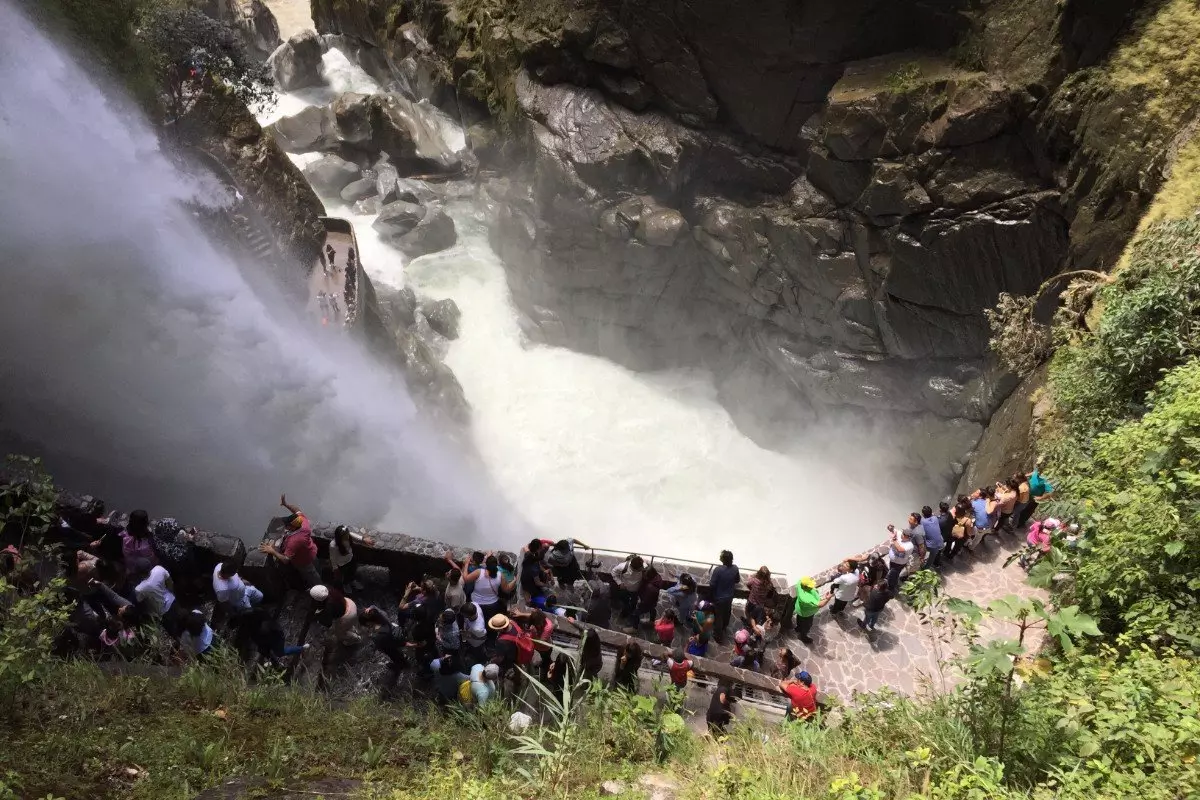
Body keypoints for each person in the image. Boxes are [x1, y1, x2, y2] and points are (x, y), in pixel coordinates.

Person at [259, 495, 320, 588]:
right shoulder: (303, 521)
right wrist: (286, 504)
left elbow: (286, 560)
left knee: (312, 575)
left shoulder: (294, 541)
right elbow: (296, 510)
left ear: (292, 527)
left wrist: (272, 551)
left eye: (286, 525)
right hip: (311, 551)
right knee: (316, 567)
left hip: (303, 561)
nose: (285, 526)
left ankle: (318, 588)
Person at [461, 554, 513, 624]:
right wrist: (515, 580)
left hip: (476, 603)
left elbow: (466, 579)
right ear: (496, 565)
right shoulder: (500, 575)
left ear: (486, 564)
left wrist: (466, 564)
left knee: (477, 622)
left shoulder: (479, 572)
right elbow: (506, 589)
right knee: (489, 623)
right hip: (492, 604)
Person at [135, 563, 183, 636]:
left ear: (139, 574)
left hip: (163, 612)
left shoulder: (139, 589)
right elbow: (170, 582)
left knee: (175, 632)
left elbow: (142, 603)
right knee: (183, 622)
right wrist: (171, 594)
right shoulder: (158, 569)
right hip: (172, 601)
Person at [329, 525, 375, 590]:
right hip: (341, 564)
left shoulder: (348, 536)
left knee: (353, 570)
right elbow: (332, 558)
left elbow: (352, 535)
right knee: (345, 574)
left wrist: (363, 539)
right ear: (339, 537)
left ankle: (352, 581)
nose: (347, 537)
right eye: (345, 536)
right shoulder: (333, 545)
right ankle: (346, 584)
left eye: (347, 535)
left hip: (351, 558)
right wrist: (335, 568)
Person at [710, 550, 740, 644]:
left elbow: (712, 584)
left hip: (719, 598)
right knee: (727, 612)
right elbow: (737, 580)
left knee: (718, 617)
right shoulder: (735, 568)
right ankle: (724, 627)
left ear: (723, 559)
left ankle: (718, 636)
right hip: (729, 597)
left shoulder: (718, 570)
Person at [119, 510, 158, 582]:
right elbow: (152, 556)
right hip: (145, 568)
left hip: (131, 566)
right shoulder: (148, 539)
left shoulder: (125, 537)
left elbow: (125, 553)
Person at [792, 576, 828, 645]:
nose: (812, 587)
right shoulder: (806, 598)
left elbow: (800, 580)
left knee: (799, 619)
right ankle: (803, 637)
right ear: (805, 587)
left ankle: (798, 628)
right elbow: (820, 604)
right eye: (810, 586)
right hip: (807, 614)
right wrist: (827, 598)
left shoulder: (800, 584)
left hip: (800, 609)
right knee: (807, 626)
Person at [611, 555, 645, 620]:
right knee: (625, 602)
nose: (641, 569)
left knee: (634, 601)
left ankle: (632, 611)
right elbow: (613, 572)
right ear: (632, 568)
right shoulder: (622, 566)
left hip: (636, 590)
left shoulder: (643, 566)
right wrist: (619, 582)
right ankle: (625, 612)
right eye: (639, 570)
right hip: (625, 589)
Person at [885, 525, 913, 593]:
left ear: (907, 537)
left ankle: (891, 588)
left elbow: (900, 549)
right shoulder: (901, 534)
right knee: (893, 573)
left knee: (893, 575)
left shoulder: (909, 545)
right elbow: (895, 530)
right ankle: (893, 581)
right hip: (893, 561)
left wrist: (894, 539)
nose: (901, 534)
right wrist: (891, 529)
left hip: (898, 564)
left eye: (903, 533)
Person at [919, 506, 945, 570]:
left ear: (923, 514)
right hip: (940, 543)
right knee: (932, 557)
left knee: (919, 543)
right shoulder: (935, 518)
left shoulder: (922, 521)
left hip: (930, 546)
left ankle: (920, 561)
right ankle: (926, 568)